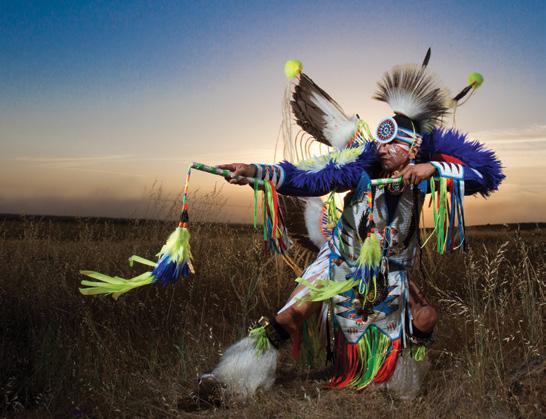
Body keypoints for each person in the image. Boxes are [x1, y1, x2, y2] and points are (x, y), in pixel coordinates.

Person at [198, 55, 504, 400]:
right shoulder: (360, 167)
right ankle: (231, 382)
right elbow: (307, 177)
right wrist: (254, 172)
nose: (384, 150)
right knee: (289, 317)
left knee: (424, 320)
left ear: (414, 148)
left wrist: (434, 169)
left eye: (394, 144)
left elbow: (486, 175)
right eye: (381, 142)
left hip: (388, 270)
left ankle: (400, 378)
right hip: (340, 260)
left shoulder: (422, 176)